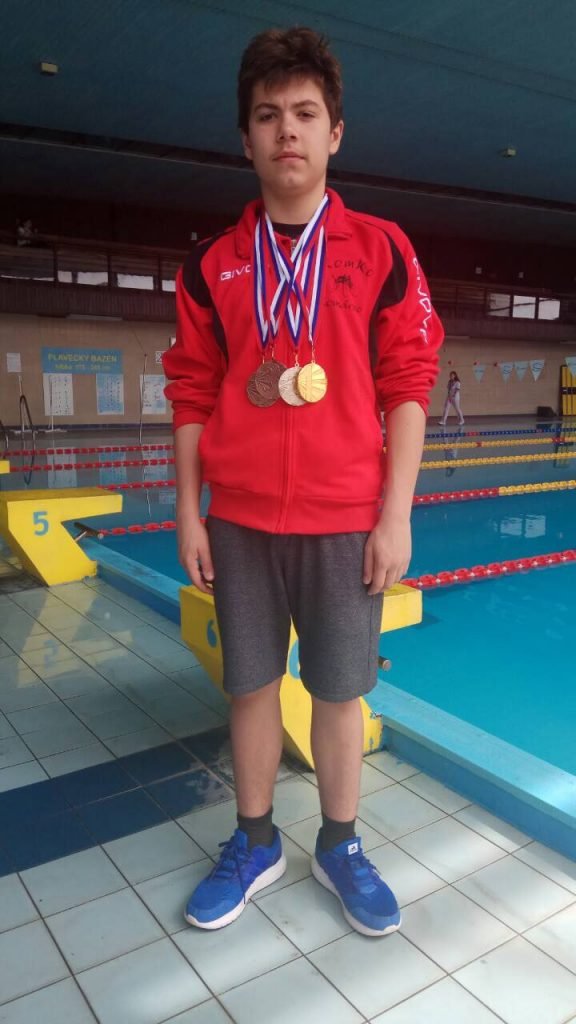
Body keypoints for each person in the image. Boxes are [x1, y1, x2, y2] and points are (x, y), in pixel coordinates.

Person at [163, 26, 443, 938]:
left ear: (335, 133)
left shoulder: (381, 250)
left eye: (305, 113)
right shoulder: (213, 266)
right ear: (245, 139)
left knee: (337, 692)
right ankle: (254, 841)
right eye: (267, 115)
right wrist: (189, 513)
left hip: (344, 519)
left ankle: (340, 843)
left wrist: (395, 516)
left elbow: (409, 386)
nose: (287, 130)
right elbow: (191, 393)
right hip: (241, 520)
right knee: (249, 686)